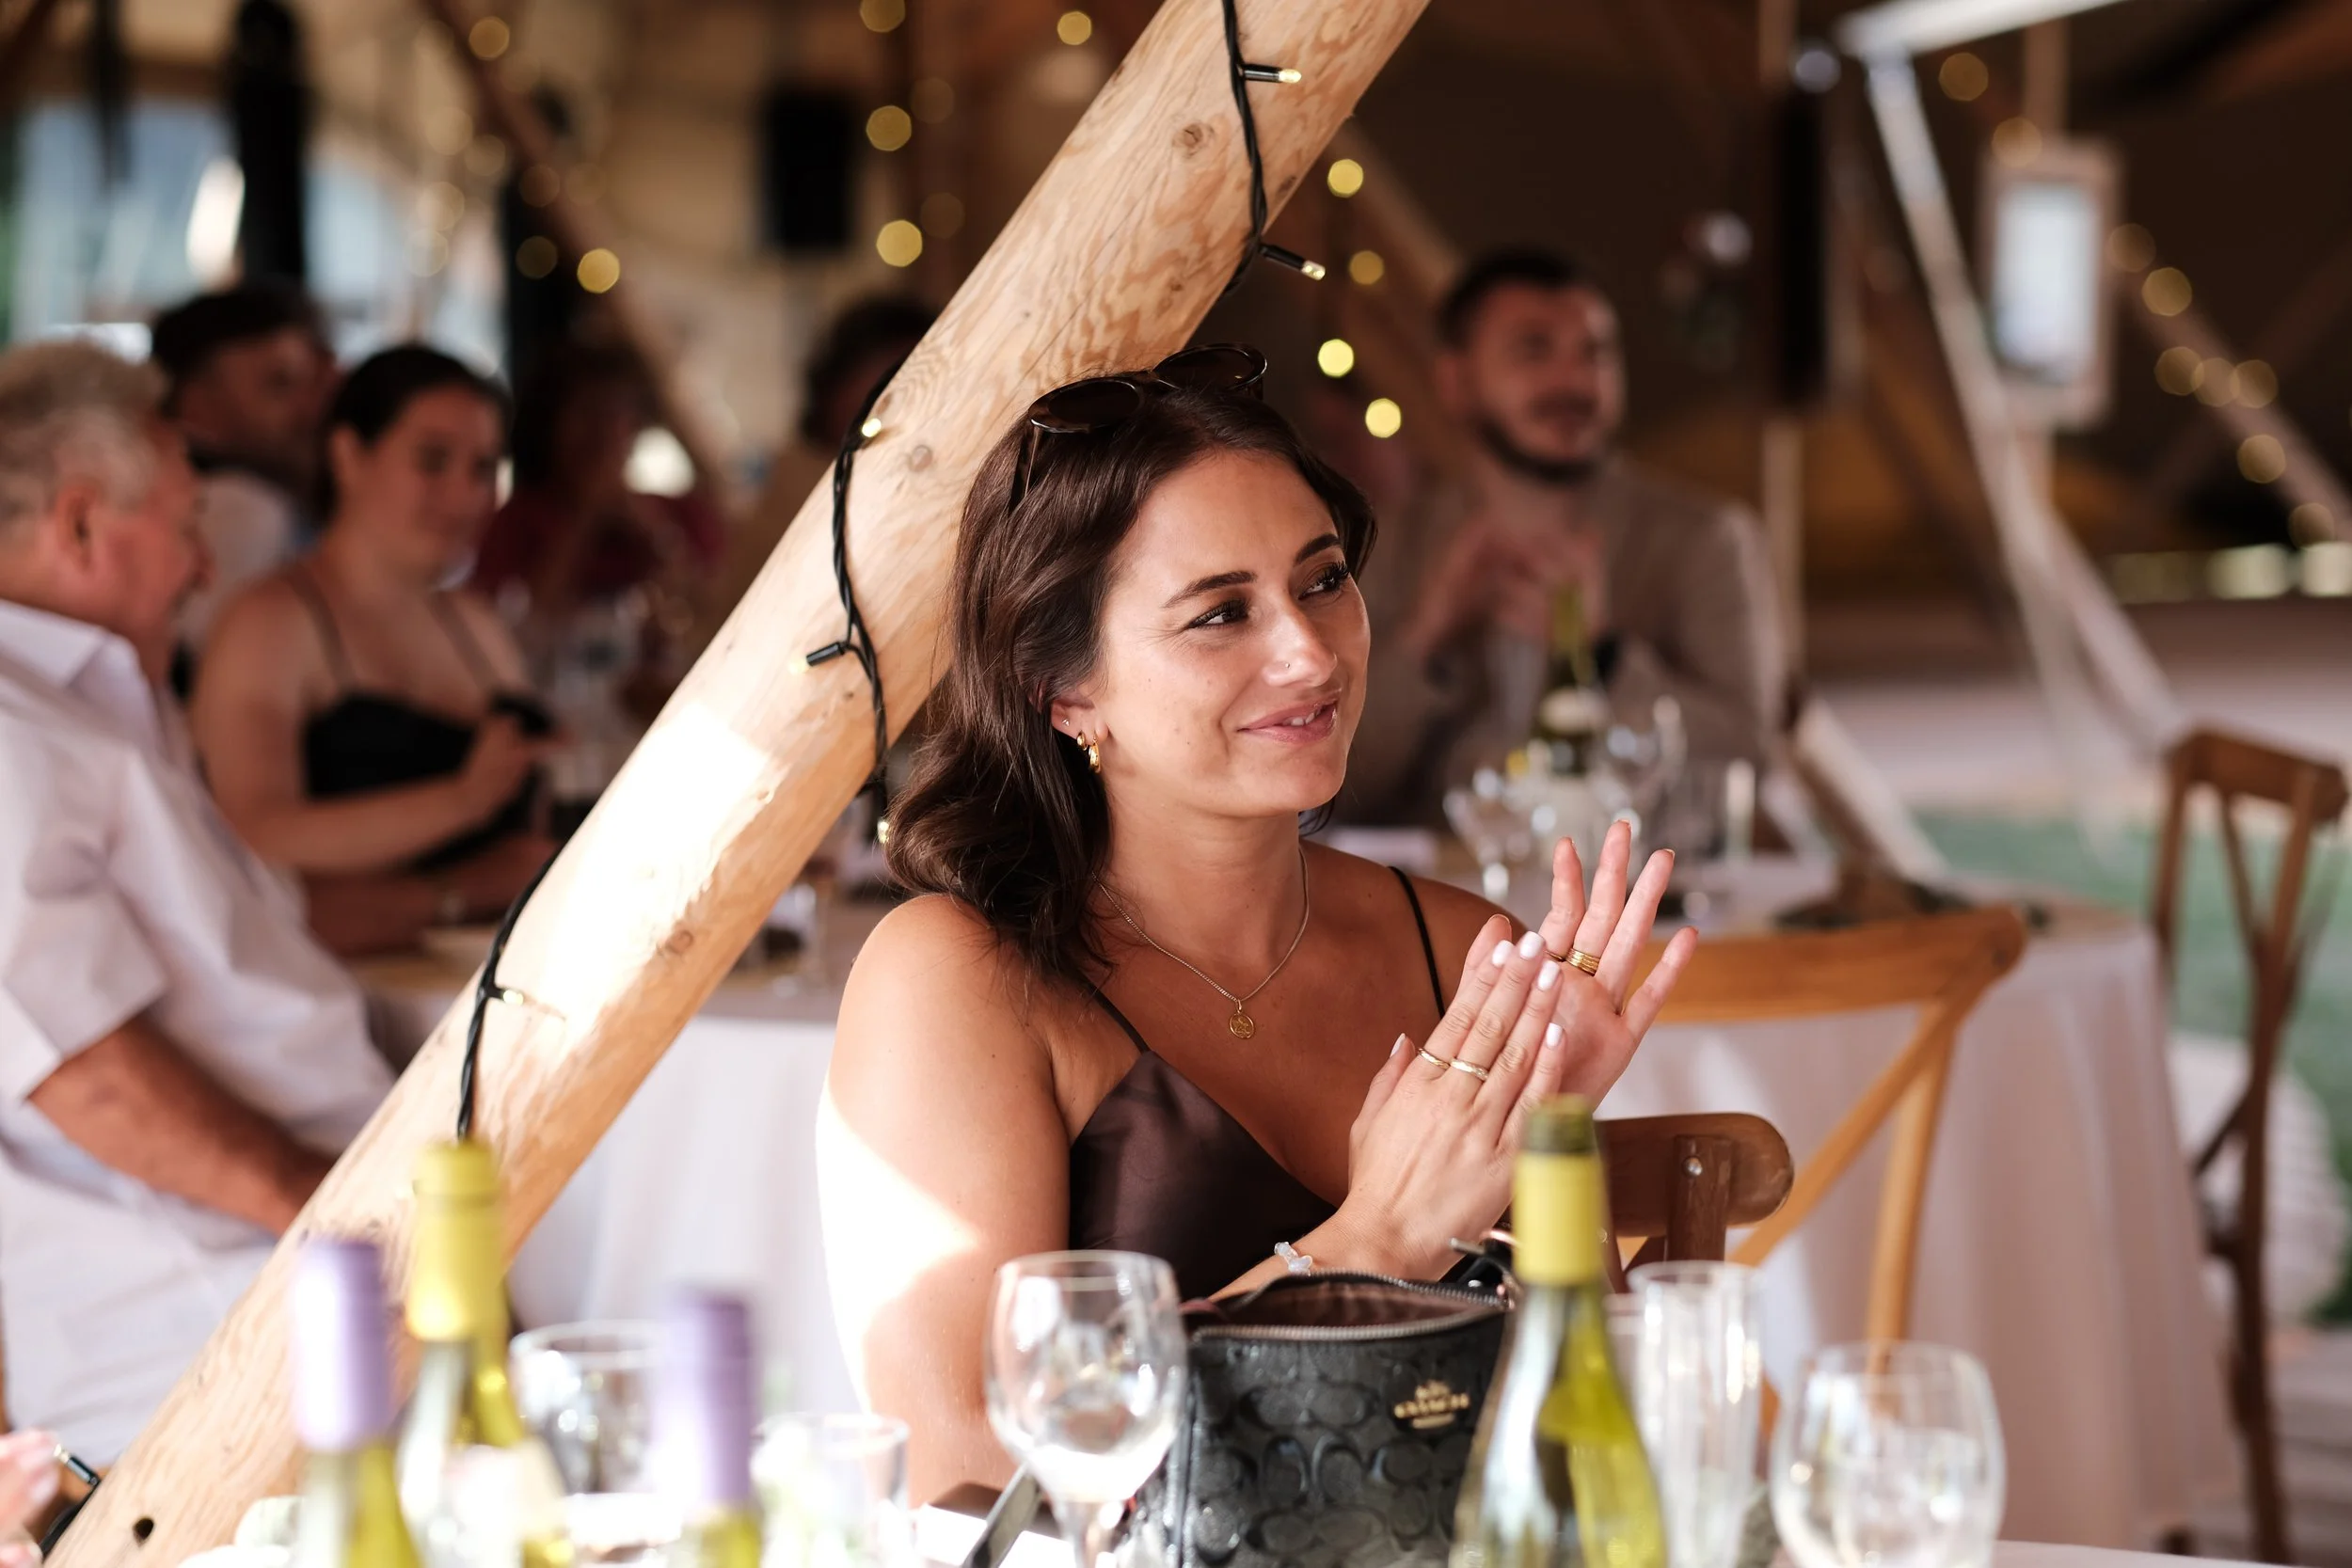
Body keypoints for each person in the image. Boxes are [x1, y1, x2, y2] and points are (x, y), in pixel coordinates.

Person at [817, 351, 1696, 1498]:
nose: (1309, 650)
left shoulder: (1461, 951)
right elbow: (966, 1466)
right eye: (1220, 612)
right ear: (1065, 692)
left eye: (1322, 579)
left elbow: (1588, 1448)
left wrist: (1549, 1170)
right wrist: (1369, 1245)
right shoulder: (956, 979)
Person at [0, 341, 391, 1462]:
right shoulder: (9, 729)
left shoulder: (104, 701)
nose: (204, 568)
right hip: (213, 1324)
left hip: (287, 1273)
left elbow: (235, 948)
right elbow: (83, 1069)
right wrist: (356, 1235)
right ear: (80, 524)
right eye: (186, 526)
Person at [1345, 249, 1788, 826]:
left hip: (1638, 897)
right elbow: (1335, 783)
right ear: (1455, 382)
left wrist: (1600, 656)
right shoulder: (1386, 543)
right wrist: (1427, 638)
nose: (1575, 381)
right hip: (1432, 901)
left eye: (1596, 353)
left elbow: (1748, 757)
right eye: (1534, 350)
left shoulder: (1707, 539)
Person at [191, 346, 556, 958]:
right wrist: (461, 804)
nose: (464, 494)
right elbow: (249, 828)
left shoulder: (476, 622)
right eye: (433, 460)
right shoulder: (272, 622)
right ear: (349, 455)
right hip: (352, 994)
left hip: (508, 972)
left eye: (483, 467)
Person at [469, 340, 724, 675]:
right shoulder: (515, 522)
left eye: (618, 414)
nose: (604, 432)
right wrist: (584, 519)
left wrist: (653, 531)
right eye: (587, 413)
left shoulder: (682, 513)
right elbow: (517, 636)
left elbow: (711, 614)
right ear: (550, 425)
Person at [700, 295, 934, 642]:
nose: (903, 398)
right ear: (838, 385)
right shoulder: (802, 486)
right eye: (890, 379)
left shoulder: (915, 479)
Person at [149, 282, 334, 659]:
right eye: (278, 385)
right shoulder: (240, 508)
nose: (309, 409)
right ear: (198, 403)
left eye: (307, 385)